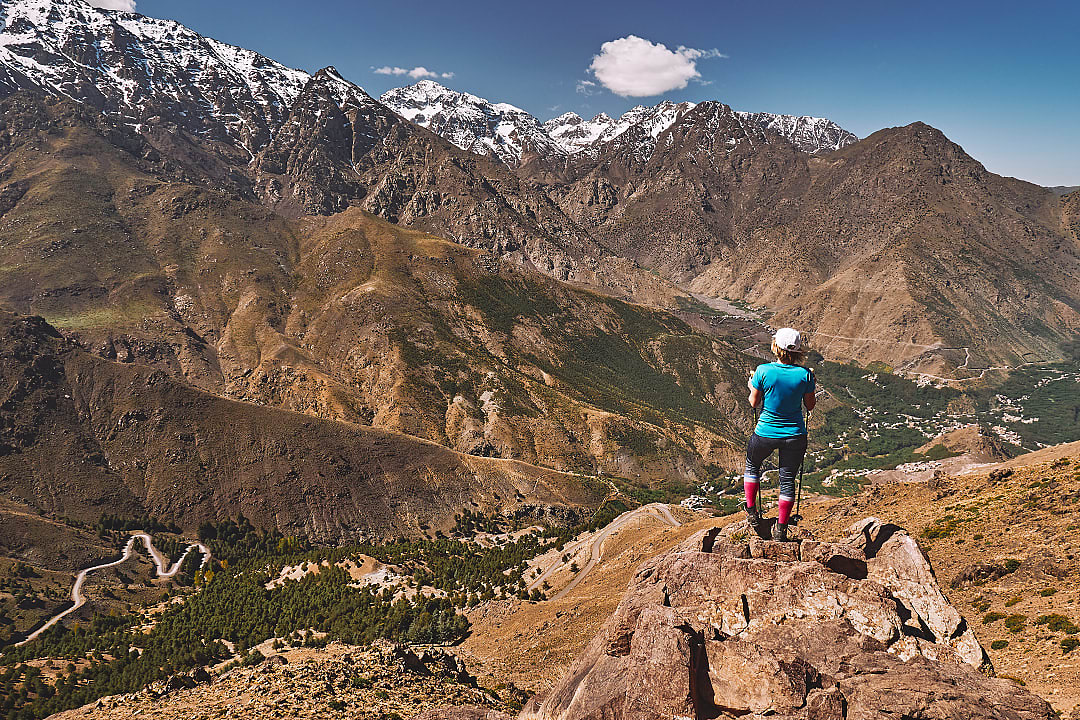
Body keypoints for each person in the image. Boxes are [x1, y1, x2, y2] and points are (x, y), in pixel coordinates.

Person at [744, 327, 816, 541]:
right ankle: (781, 528)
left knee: (752, 465)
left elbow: (754, 403)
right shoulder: (805, 375)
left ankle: (752, 513)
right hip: (795, 434)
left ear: (776, 346)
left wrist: (752, 385)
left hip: (766, 431)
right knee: (787, 480)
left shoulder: (763, 371)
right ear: (798, 352)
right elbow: (810, 406)